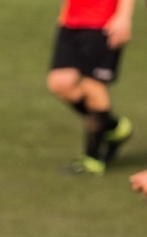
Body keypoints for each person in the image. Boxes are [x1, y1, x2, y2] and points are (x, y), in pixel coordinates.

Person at [47, 0, 135, 174]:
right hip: (71, 20)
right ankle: (112, 126)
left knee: (93, 86)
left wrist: (123, 17)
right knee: (60, 82)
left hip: (104, 22)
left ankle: (92, 158)